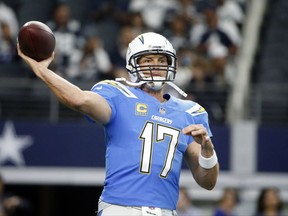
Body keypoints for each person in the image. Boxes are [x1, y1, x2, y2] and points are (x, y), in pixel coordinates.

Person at [17, 32, 219, 216]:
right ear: (133, 65)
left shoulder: (190, 112)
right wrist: (41, 70)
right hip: (121, 209)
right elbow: (79, 99)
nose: (156, 66)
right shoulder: (118, 95)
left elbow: (207, 182)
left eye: (161, 60)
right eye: (148, 60)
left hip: (167, 211)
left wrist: (208, 150)